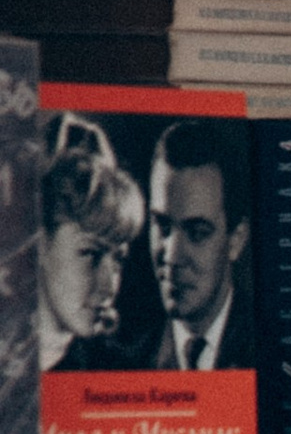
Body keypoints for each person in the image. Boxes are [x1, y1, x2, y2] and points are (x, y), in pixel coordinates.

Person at [134, 119, 257, 372]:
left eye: (197, 233)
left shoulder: (269, 348)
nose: (172, 256)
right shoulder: (125, 361)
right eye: (163, 226)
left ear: (237, 239)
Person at [35, 114, 143, 369]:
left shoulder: (109, 367)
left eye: (118, 259)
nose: (109, 287)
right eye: (91, 255)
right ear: (38, 244)